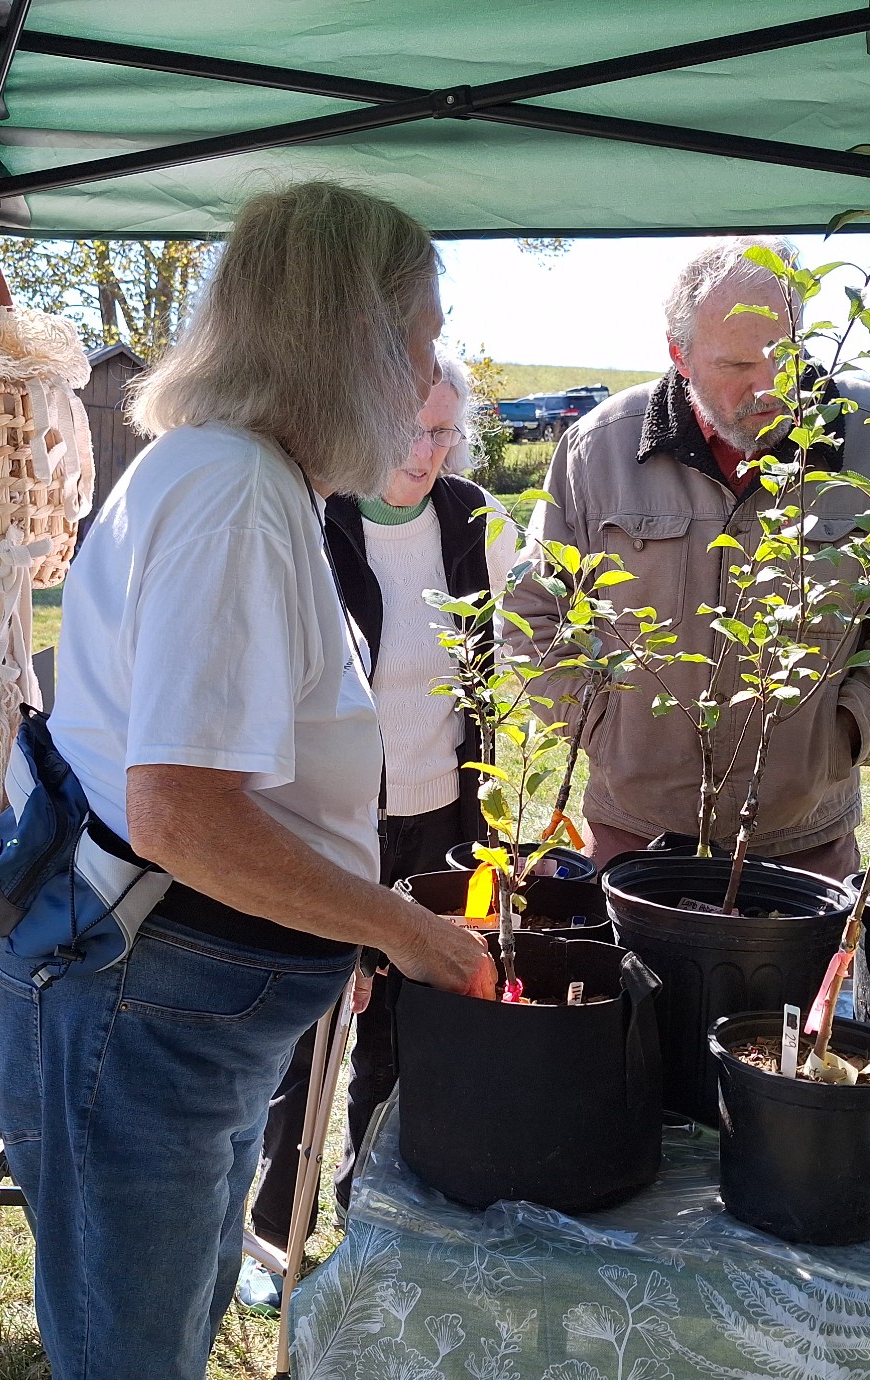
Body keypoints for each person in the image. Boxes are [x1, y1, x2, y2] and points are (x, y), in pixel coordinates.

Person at [0, 180, 494, 1380]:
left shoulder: (251, 480)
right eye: (419, 334)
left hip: (174, 1013)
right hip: (134, 1008)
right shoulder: (223, 488)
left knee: (154, 1340)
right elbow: (186, 818)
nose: (433, 373)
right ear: (343, 334)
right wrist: (392, 925)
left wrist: (338, 924)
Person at [510, 237, 870, 876]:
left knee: (803, 980)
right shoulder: (599, 448)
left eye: (784, 357)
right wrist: (599, 726)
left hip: (805, 832)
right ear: (680, 355)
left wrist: (859, 725)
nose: (768, 388)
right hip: (636, 828)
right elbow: (535, 608)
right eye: (734, 366)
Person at [242, 346, 518, 1301]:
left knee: (409, 1038)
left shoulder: (480, 523)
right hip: (337, 822)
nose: (427, 449)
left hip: (447, 822)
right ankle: (277, 1235)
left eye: (444, 430)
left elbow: (506, 669)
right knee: (315, 1026)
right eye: (408, 428)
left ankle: (376, 1222)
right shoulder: (319, 519)